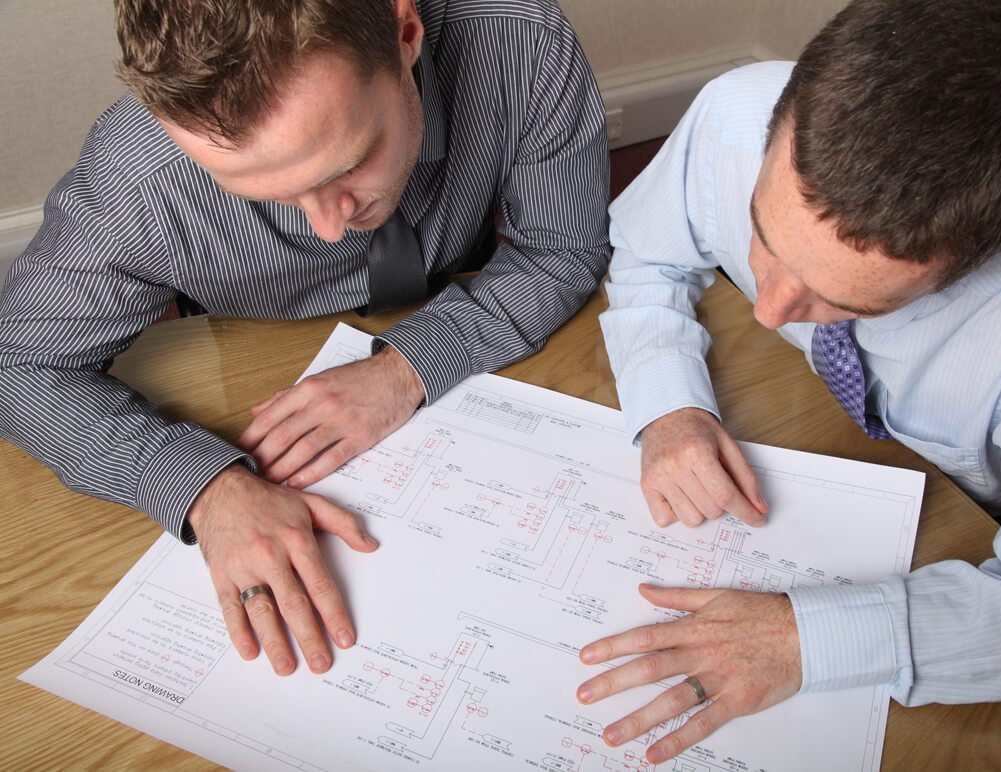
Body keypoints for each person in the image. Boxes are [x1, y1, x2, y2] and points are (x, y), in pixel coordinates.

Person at [581, 0, 1001, 764]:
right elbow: (648, 252)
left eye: (842, 300)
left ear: (995, 243)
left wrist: (808, 638)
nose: (767, 309)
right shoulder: (736, 110)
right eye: (761, 232)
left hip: (972, 528)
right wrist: (668, 404)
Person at [0, 0, 608, 678]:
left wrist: (404, 369)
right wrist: (205, 489)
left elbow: (558, 251)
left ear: (404, 31)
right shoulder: (136, 180)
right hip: (244, 362)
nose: (328, 227)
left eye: (348, 165)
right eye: (266, 193)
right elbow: (19, 364)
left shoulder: (518, 37)